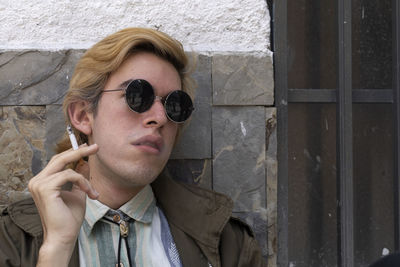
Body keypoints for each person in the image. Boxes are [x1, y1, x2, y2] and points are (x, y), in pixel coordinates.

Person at [0, 27, 266, 267]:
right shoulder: (12, 240)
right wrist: (55, 249)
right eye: (137, 96)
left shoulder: (227, 242)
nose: (159, 118)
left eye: (174, 105)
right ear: (82, 116)